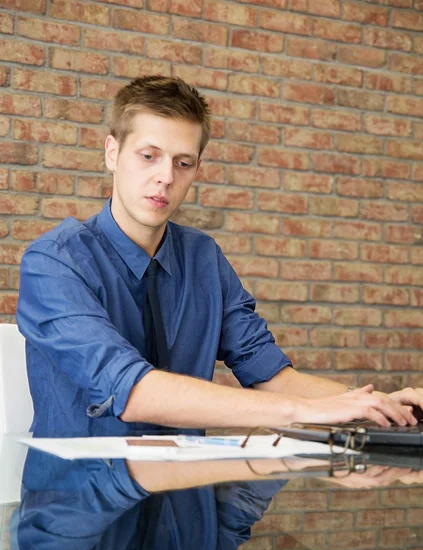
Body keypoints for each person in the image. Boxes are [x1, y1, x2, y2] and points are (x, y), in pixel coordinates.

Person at [16, 75, 423, 444]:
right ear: (112, 153)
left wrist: (376, 405)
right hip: (81, 507)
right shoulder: (54, 262)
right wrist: (306, 412)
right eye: (148, 156)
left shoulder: (203, 258)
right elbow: (132, 391)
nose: (165, 177)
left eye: (183, 163)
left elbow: (270, 376)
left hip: (184, 503)